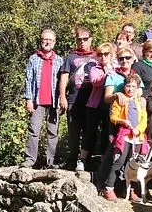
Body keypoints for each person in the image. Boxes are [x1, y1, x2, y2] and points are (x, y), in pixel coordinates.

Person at [99, 73, 147, 201]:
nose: (130, 89)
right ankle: (108, 188)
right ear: (124, 87)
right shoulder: (119, 101)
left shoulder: (140, 102)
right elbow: (113, 117)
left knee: (133, 163)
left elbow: (144, 119)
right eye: (128, 86)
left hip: (137, 136)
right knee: (119, 161)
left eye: (133, 86)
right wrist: (122, 121)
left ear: (138, 88)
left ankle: (132, 190)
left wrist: (139, 129)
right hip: (124, 135)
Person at [22, 29, 63, 169]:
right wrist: (28, 99)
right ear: (41, 41)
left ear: (54, 42)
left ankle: (52, 162)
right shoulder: (33, 58)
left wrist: (62, 100)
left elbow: (63, 82)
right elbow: (28, 80)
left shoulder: (59, 60)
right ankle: (29, 160)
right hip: (37, 101)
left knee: (53, 132)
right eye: (45, 39)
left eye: (50, 40)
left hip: (54, 101)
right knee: (34, 130)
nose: (47, 42)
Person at [58, 27, 97, 171]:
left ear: (91, 39)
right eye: (79, 39)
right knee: (73, 131)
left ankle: (86, 160)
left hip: (92, 99)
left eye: (85, 39)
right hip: (74, 98)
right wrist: (63, 96)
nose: (82, 42)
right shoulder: (70, 57)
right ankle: (73, 159)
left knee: (89, 131)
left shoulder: (97, 55)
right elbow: (64, 78)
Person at [81, 42, 116, 171]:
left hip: (109, 106)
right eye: (100, 54)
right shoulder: (94, 68)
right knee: (90, 132)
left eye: (106, 54)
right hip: (94, 105)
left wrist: (110, 71)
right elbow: (95, 82)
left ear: (111, 55)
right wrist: (107, 73)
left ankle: (103, 160)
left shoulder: (116, 68)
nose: (103, 57)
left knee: (107, 134)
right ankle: (83, 159)